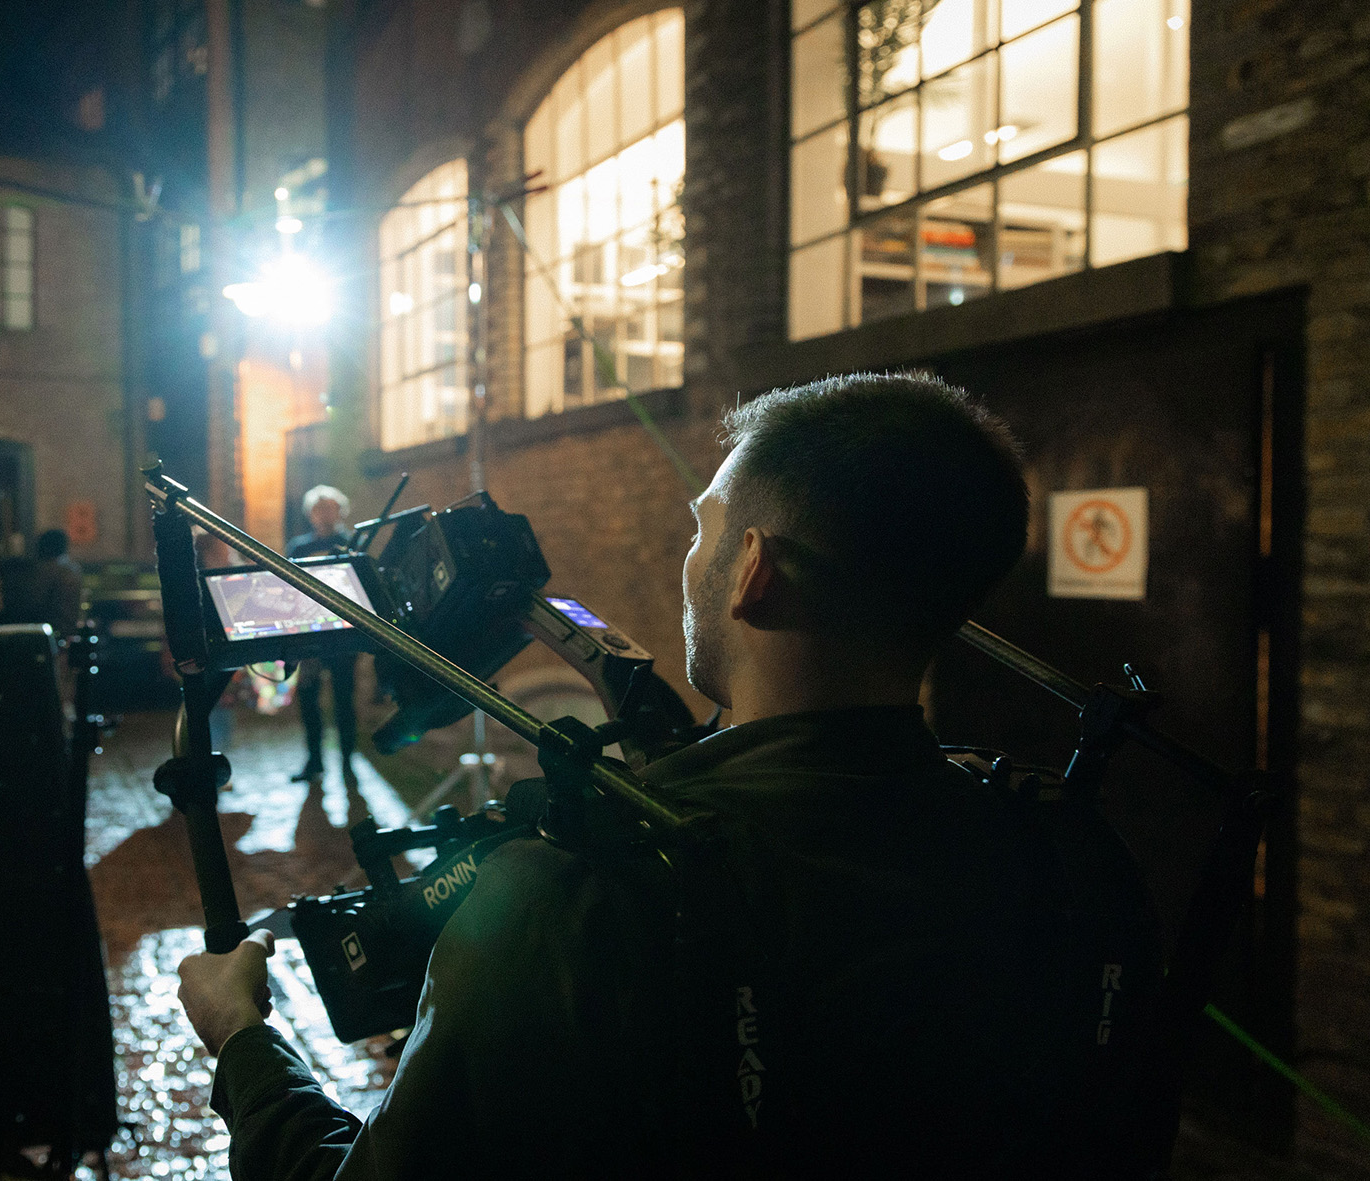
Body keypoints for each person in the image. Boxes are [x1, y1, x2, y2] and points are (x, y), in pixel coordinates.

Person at [175, 374, 1159, 1177]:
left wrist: (243, 1044)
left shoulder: (566, 891)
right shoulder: (1058, 852)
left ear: (750, 572)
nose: (687, 555)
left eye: (702, 530)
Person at [286, 486, 360, 786]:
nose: (325, 515)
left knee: (344, 699)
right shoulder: (298, 548)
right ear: (311, 514)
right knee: (308, 698)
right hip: (310, 634)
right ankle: (314, 760)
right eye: (320, 509)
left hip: (343, 634)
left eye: (330, 508)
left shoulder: (351, 543)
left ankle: (347, 762)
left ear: (340, 511)